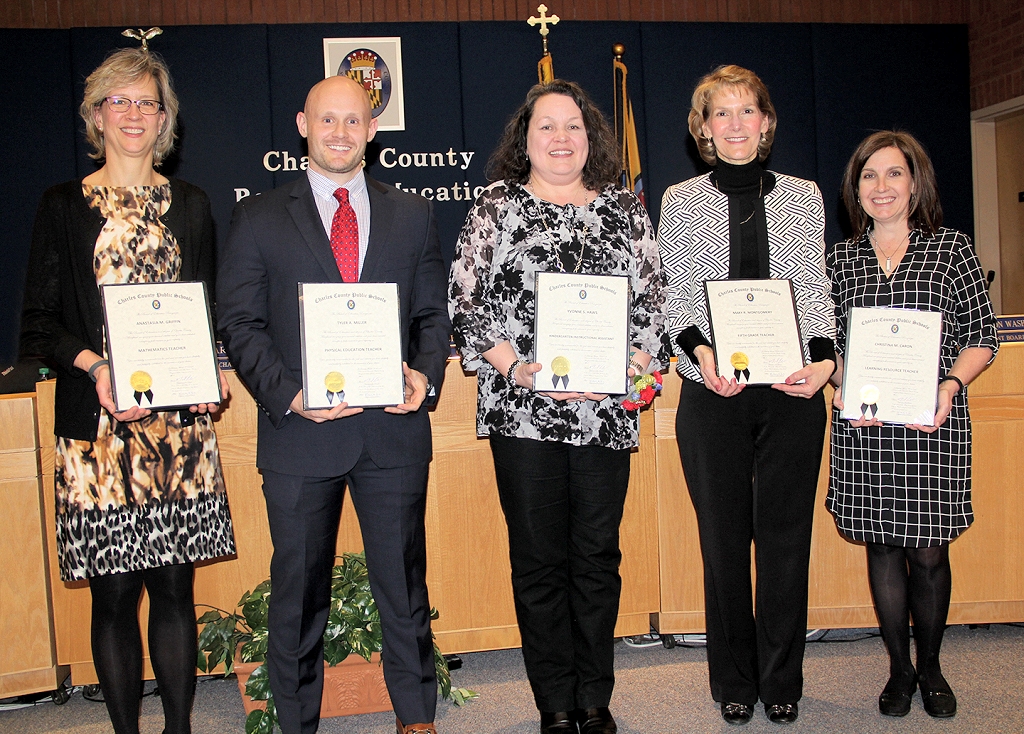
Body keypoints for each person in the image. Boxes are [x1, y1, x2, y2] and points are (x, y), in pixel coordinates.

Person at [216, 75, 451, 734]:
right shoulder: (259, 217)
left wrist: (424, 379)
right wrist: (290, 394)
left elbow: (433, 314)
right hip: (300, 436)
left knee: (404, 589)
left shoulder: (412, 212)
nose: (341, 133)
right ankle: (297, 726)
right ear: (303, 124)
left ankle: (416, 721)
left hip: (393, 434)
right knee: (297, 596)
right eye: (328, 121)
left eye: (354, 121)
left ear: (373, 129)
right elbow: (238, 322)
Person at [19, 47, 235, 734]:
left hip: (179, 432)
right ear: (96, 115)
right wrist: (95, 364)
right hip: (100, 430)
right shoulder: (63, 205)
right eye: (120, 101)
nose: (134, 114)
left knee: (175, 588)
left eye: (148, 102)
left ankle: (178, 729)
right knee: (113, 594)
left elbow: (207, 311)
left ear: (166, 118)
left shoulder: (193, 205)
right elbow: (38, 324)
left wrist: (210, 374)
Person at [449, 79, 670, 734]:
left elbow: (653, 306)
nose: (561, 138)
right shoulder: (495, 206)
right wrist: (517, 367)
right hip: (525, 412)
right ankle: (554, 701)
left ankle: (595, 697)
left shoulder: (624, 211)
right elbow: (466, 306)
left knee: (598, 555)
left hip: (604, 414)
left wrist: (631, 364)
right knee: (540, 558)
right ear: (525, 137)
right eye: (546, 126)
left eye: (573, 125)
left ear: (591, 136)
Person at [658, 65, 835, 726]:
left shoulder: (805, 195)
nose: (735, 124)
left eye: (746, 111)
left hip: (792, 392)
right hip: (715, 392)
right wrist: (702, 357)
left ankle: (782, 676)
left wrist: (824, 361)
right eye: (720, 114)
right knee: (723, 542)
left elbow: (814, 289)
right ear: (704, 128)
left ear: (765, 122)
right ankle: (734, 678)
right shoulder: (681, 200)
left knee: (787, 540)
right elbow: (674, 296)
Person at [827, 130, 997, 719]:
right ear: (856, 188)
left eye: (893, 174)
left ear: (915, 182)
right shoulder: (839, 259)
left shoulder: (952, 250)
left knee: (928, 552)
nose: (881, 187)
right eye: (869, 176)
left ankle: (932, 667)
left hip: (933, 422)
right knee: (882, 546)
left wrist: (950, 387)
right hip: (867, 429)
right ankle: (899, 670)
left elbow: (982, 336)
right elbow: (830, 344)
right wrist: (840, 383)